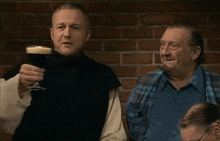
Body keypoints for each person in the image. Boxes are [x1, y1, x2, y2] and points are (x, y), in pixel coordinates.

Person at [0, 3, 127, 141]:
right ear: (52, 34)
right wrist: (18, 87)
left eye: (75, 28)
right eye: (61, 27)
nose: (67, 34)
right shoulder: (26, 71)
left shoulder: (102, 76)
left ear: (87, 35)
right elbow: (4, 124)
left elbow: (113, 134)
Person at [126, 22, 220, 141]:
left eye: (173, 46)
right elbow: (133, 126)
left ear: (195, 52)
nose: (164, 52)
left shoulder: (216, 86)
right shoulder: (146, 83)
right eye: (162, 45)